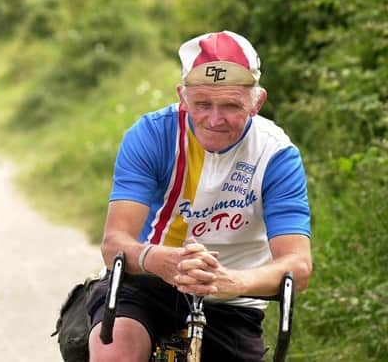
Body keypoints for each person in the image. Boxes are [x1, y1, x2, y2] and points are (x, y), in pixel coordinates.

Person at [86, 30, 313, 362]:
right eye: (202, 104)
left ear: (257, 101)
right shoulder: (152, 135)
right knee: (115, 353)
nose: (214, 119)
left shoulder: (277, 154)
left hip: (233, 301)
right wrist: (158, 259)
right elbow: (114, 244)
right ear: (182, 97)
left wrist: (231, 281)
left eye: (231, 106)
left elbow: (299, 266)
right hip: (147, 285)